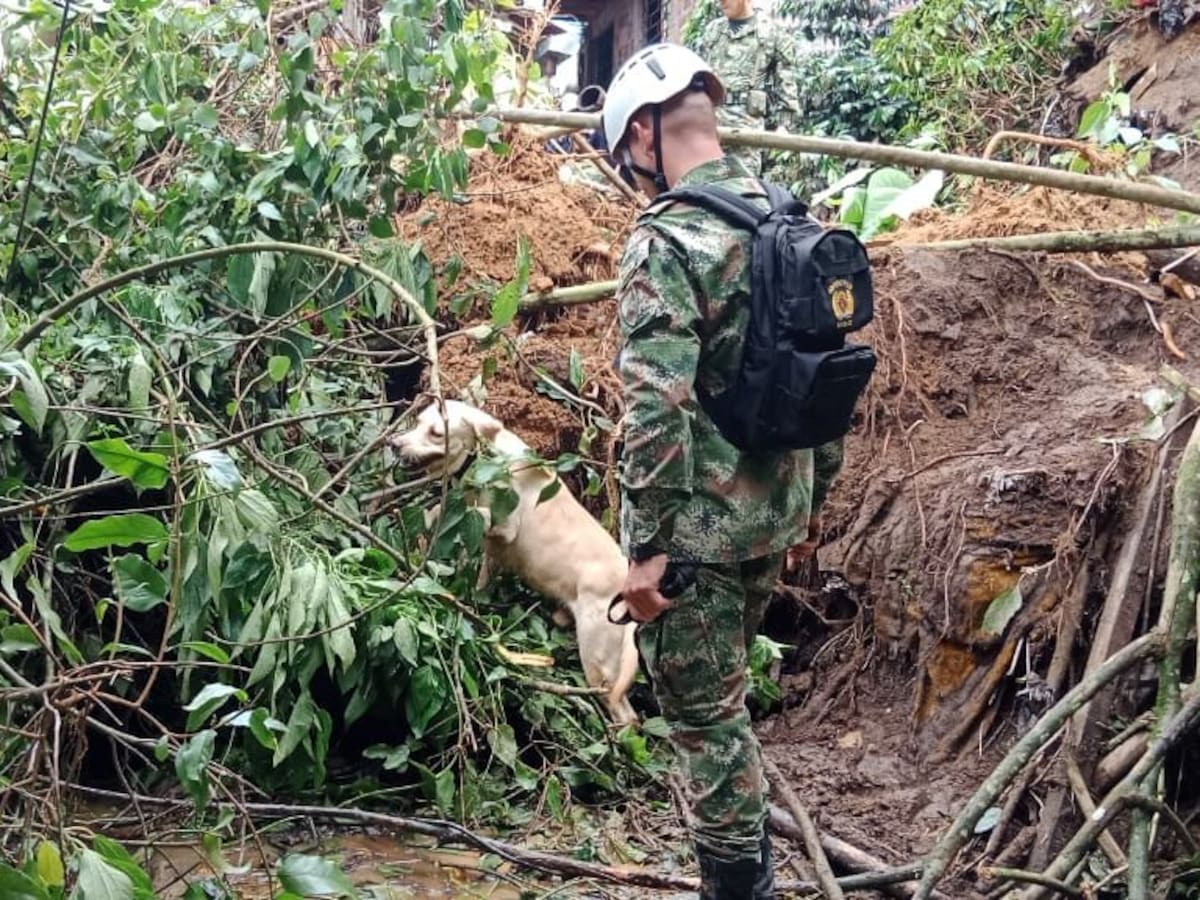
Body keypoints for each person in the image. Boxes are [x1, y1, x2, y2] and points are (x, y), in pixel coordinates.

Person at [602, 43, 842, 900]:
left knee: (706, 723)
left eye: (626, 163)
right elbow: (831, 373)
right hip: (777, 511)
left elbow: (655, 409)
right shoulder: (789, 219)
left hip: (697, 534)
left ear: (641, 135)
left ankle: (739, 888)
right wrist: (816, 498)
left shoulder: (667, 239)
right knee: (728, 697)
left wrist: (648, 552)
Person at [690, 0, 801, 176]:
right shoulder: (713, 31)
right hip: (710, 125)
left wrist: (784, 125)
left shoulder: (770, 33)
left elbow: (786, 82)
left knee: (743, 188)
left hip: (746, 129)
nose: (721, 2)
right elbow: (697, 76)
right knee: (706, 187)